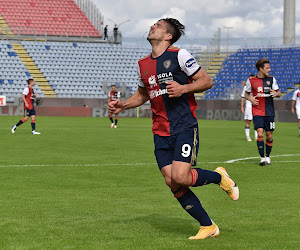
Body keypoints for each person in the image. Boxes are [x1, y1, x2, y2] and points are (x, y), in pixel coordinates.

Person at [108, 18, 239, 240]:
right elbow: (142, 95)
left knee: (181, 177)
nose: (152, 27)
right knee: (172, 182)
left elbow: (206, 81)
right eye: (153, 25)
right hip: (160, 131)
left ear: (168, 36)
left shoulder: (180, 55)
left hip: (184, 126)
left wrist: (184, 88)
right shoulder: (143, 64)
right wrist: (122, 105)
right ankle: (208, 226)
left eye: (158, 26)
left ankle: (219, 177)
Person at [245, 58, 281, 166]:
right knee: (260, 134)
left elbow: (278, 92)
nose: (269, 70)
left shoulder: (271, 79)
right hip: (257, 112)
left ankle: (268, 156)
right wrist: (250, 99)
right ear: (260, 69)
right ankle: (262, 158)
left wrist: (276, 93)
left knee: (269, 135)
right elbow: (246, 94)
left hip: (269, 112)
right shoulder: (251, 81)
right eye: (267, 68)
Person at [241, 74, 257, 141]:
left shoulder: (257, 87)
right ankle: (248, 136)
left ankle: (256, 137)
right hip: (248, 106)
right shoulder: (246, 88)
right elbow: (243, 97)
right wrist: (242, 107)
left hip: (256, 106)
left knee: (256, 122)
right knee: (248, 121)